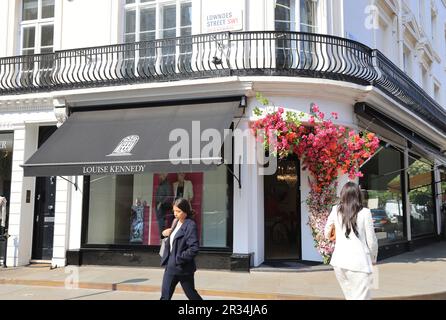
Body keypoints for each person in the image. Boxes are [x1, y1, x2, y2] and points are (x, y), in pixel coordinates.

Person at [324, 181, 378, 300]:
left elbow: (326, 233)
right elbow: (372, 241)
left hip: (339, 262)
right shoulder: (365, 213)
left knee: (350, 297)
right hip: (360, 263)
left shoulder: (335, 210)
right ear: (358, 195)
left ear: (343, 194)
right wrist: (373, 258)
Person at [160, 198, 202, 300]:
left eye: (178, 211)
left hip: (183, 268)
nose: (175, 213)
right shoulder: (176, 222)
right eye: (174, 211)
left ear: (186, 211)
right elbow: (173, 239)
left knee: (191, 294)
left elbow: (194, 248)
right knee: (165, 295)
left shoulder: (190, 225)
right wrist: (164, 234)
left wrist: (178, 259)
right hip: (171, 266)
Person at [155, 173, 173, 238]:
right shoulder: (161, 183)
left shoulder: (167, 184)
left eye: (161, 175)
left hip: (162, 206)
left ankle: (163, 238)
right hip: (159, 205)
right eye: (159, 175)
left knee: (161, 223)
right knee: (160, 222)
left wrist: (161, 202)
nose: (160, 176)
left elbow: (169, 195)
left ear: (165, 175)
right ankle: (162, 238)